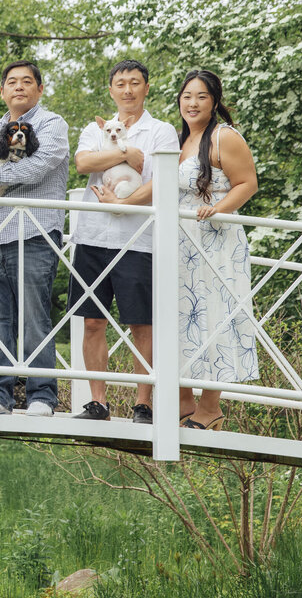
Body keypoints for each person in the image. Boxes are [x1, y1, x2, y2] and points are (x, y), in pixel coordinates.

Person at [69, 60, 179, 423]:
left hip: (139, 239)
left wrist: (124, 197)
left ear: (147, 87)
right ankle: (98, 402)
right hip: (92, 235)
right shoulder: (94, 128)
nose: (128, 90)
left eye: (135, 83)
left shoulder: (162, 132)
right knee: (92, 321)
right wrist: (125, 154)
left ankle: (143, 403)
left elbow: (161, 180)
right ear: (111, 89)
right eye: (120, 83)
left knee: (141, 323)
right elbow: (84, 163)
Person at [0, 61, 69, 417]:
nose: (18, 87)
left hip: (34, 232)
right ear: (2, 91)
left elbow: (39, 165)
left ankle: (42, 396)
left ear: (40, 89)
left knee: (34, 316)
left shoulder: (51, 124)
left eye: (27, 82)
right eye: (11, 82)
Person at [175, 69, 259, 430]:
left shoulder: (225, 137)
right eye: (187, 96)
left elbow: (248, 183)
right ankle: (183, 401)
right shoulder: (181, 140)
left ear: (214, 102)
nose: (192, 103)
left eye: (202, 97)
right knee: (182, 315)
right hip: (181, 241)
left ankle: (210, 409)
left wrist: (218, 209)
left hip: (217, 239)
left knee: (215, 313)